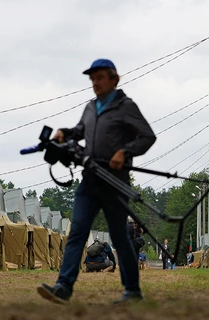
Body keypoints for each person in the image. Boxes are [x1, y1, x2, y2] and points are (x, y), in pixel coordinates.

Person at [37, 58, 157, 305]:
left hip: (115, 182)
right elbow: (79, 130)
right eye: (92, 78)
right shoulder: (91, 107)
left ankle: (132, 290)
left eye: (100, 77)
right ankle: (63, 286)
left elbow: (147, 136)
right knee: (77, 231)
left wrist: (125, 151)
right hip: (89, 181)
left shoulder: (126, 106)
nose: (95, 83)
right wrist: (64, 133)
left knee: (120, 236)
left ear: (115, 79)